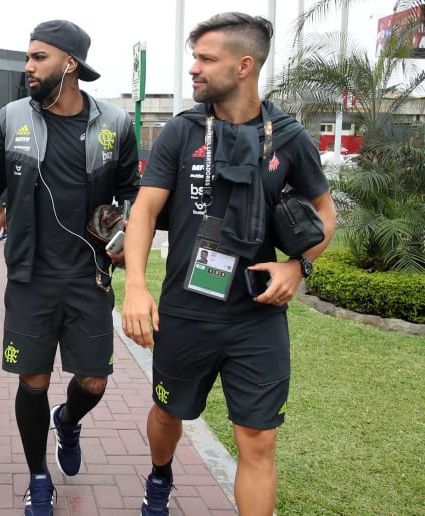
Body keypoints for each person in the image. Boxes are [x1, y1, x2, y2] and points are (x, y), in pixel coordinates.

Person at [120, 13, 336, 516]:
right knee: (169, 414)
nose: (193, 69)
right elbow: (145, 211)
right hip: (187, 312)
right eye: (194, 57)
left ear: (243, 66)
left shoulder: (287, 136)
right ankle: (160, 474)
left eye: (205, 59)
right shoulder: (180, 132)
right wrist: (135, 284)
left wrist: (297, 266)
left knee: (259, 441)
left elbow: (326, 215)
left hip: (257, 317)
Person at [0, 20, 140, 516]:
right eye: (27, 57)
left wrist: (125, 230)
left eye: (38, 57)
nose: (28, 67)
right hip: (29, 276)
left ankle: (68, 420)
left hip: (89, 275)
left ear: (69, 64)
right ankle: (38, 477)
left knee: (94, 381)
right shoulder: (9, 117)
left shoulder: (114, 123)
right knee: (33, 381)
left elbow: (133, 189)